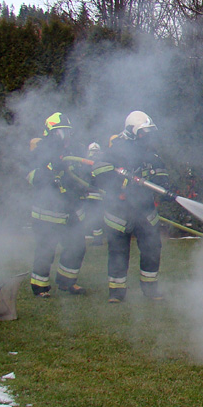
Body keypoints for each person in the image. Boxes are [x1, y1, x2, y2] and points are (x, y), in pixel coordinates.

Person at [91, 111, 175, 302]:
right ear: (132, 132)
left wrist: (166, 189)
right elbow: (99, 176)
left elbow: (161, 176)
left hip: (145, 213)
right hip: (119, 214)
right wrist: (123, 185)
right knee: (118, 253)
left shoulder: (150, 156)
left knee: (152, 249)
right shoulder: (113, 154)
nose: (148, 137)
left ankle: (150, 288)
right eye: (144, 133)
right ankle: (116, 292)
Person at [26, 112, 88, 297]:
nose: (66, 136)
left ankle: (66, 281)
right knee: (46, 249)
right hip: (47, 211)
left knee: (77, 246)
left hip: (70, 210)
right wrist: (50, 177)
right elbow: (30, 175)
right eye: (61, 132)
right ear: (51, 133)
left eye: (67, 132)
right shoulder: (40, 152)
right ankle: (39, 287)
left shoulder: (72, 151)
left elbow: (80, 174)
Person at [82, 142, 106, 246]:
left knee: (95, 217)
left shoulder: (93, 164)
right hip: (92, 195)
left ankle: (97, 239)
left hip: (95, 195)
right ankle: (96, 237)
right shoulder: (88, 164)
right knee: (93, 217)